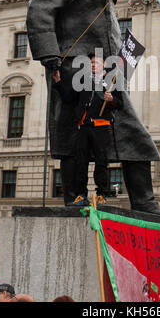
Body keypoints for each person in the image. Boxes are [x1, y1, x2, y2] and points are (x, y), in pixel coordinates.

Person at [27, 0, 160, 217]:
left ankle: (143, 201)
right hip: (73, 64)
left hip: (105, 66)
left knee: (131, 130)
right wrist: (50, 57)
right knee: (74, 133)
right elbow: (39, 7)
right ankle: (75, 197)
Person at [53, 53, 123, 206]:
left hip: (101, 126)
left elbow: (121, 104)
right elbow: (69, 99)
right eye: (91, 63)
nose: (92, 65)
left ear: (103, 64)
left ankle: (102, 194)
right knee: (81, 162)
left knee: (101, 162)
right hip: (83, 126)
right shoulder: (83, 81)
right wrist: (58, 81)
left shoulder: (112, 81)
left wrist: (112, 100)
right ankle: (81, 195)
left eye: (96, 63)